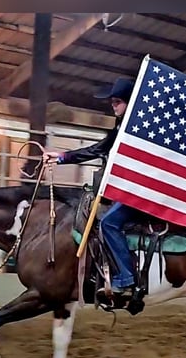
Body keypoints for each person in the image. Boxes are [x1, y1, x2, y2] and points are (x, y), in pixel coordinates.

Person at [43, 77, 141, 300]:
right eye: (113, 102)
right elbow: (101, 149)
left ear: (128, 102)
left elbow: (99, 150)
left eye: (117, 101)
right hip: (125, 190)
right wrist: (61, 157)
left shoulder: (130, 129)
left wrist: (61, 158)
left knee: (109, 223)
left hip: (136, 193)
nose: (113, 105)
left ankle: (126, 279)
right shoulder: (122, 126)